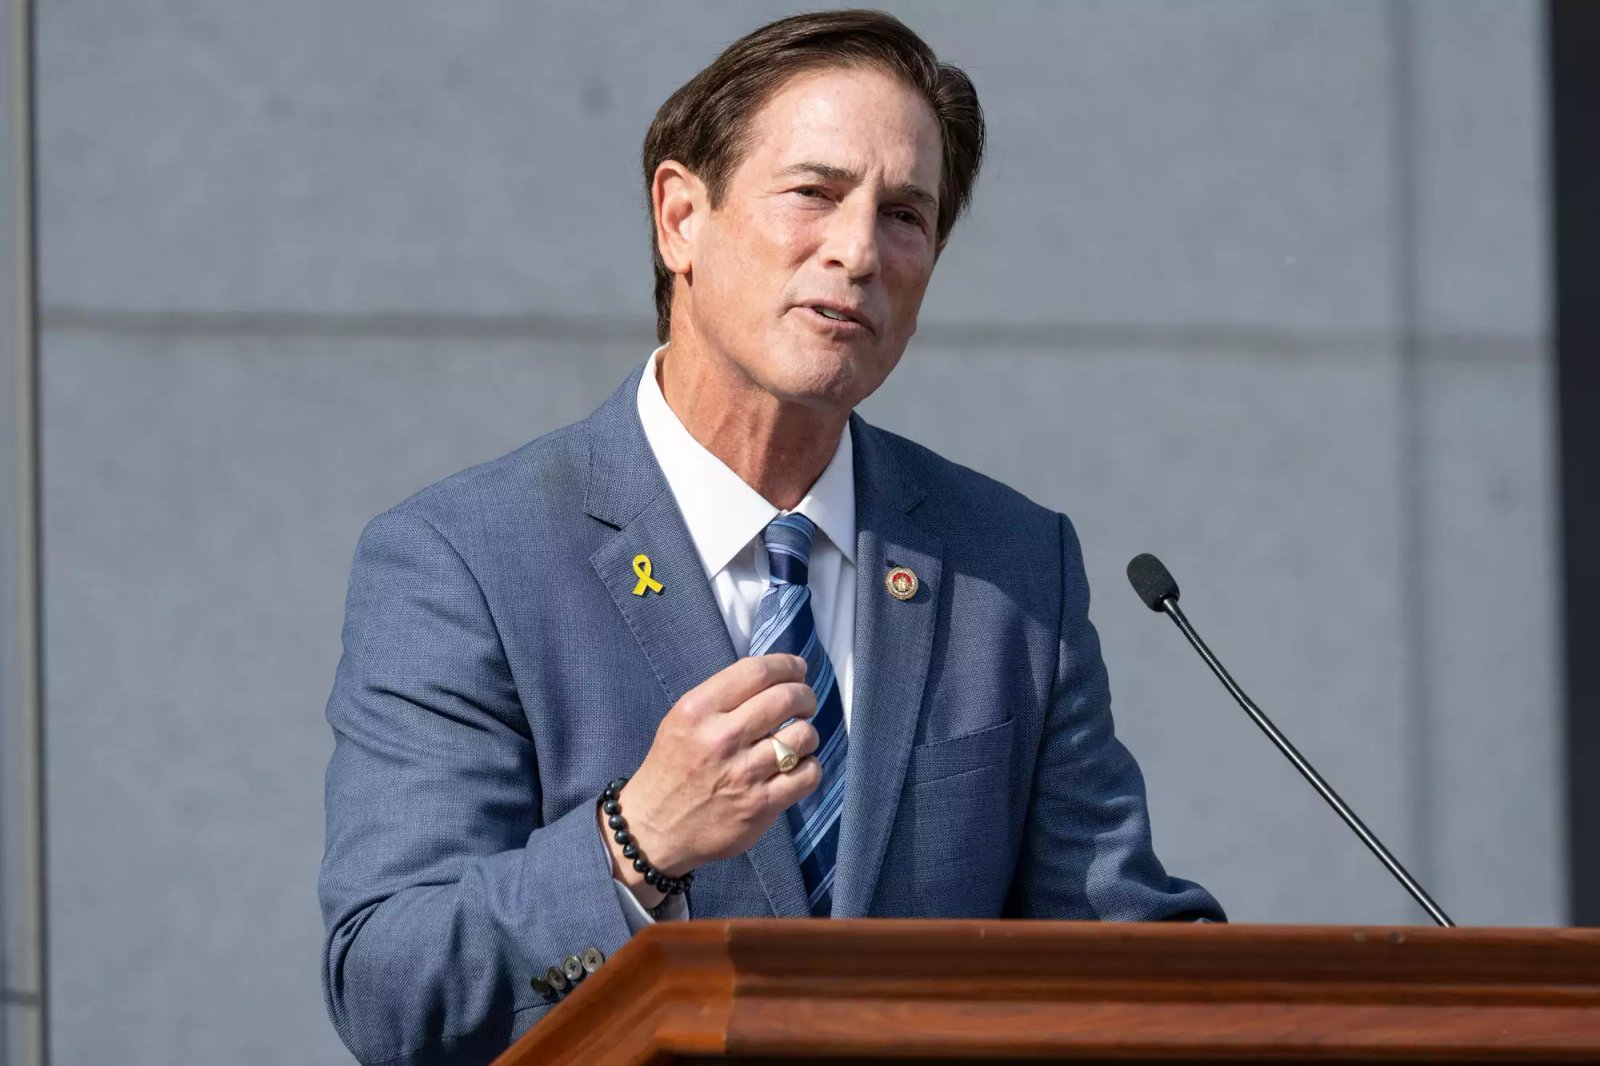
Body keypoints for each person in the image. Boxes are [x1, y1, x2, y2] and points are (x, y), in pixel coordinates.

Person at [319, 10, 1223, 1065]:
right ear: (679, 219)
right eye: (814, 192)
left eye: (905, 215)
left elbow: (1120, 957)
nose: (857, 251)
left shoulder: (1010, 568)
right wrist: (631, 844)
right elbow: (392, 988)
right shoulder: (463, 558)